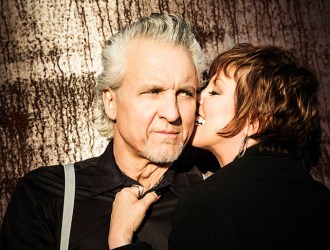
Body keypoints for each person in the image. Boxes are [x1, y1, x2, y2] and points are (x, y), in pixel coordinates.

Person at [108, 43, 330, 249]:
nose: (197, 97)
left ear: (255, 121)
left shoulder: (208, 204)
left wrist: (121, 240)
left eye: (214, 92)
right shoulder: (324, 200)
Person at [0, 13, 207, 250]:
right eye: (153, 91)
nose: (172, 113)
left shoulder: (216, 196)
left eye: (185, 93)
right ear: (111, 102)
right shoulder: (48, 197)